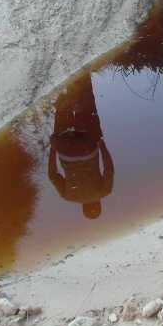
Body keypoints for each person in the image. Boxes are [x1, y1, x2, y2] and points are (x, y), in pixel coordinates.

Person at [47, 75, 114, 219]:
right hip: (64, 148)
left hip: (87, 147)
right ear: (83, 207)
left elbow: (109, 170)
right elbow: (53, 175)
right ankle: (63, 78)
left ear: (99, 204)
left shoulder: (104, 192)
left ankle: (82, 75)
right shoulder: (68, 196)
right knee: (63, 110)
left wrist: (101, 145)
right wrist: (54, 148)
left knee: (86, 104)